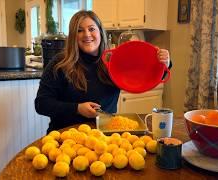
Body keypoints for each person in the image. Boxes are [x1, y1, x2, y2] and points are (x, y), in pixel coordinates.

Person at [35, 10, 171, 133]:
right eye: (80, 30)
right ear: (73, 37)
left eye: (91, 29)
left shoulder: (115, 61)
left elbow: (143, 77)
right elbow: (41, 104)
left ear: (100, 32)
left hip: (106, 135)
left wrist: (164, 64)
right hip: (65, 136)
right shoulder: (59, 63)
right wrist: (77, 108)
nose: (87, 34)